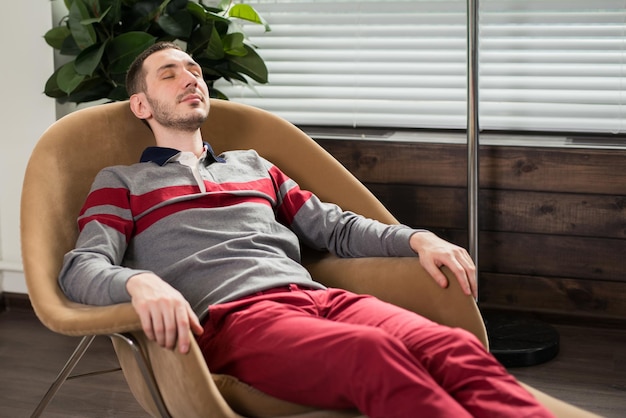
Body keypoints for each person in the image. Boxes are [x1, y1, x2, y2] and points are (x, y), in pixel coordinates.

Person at [59, 41, 554, 418]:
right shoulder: (122, 181)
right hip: (237, 320)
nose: (190, 78)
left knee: (453, 347)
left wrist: (416, 237)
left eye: (194, 70)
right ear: (141, 106)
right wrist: (137, 281)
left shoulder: (254, 166)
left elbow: (334, 228)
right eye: (169, 74)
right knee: (372, 354)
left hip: (322, 299)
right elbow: (82, 267)